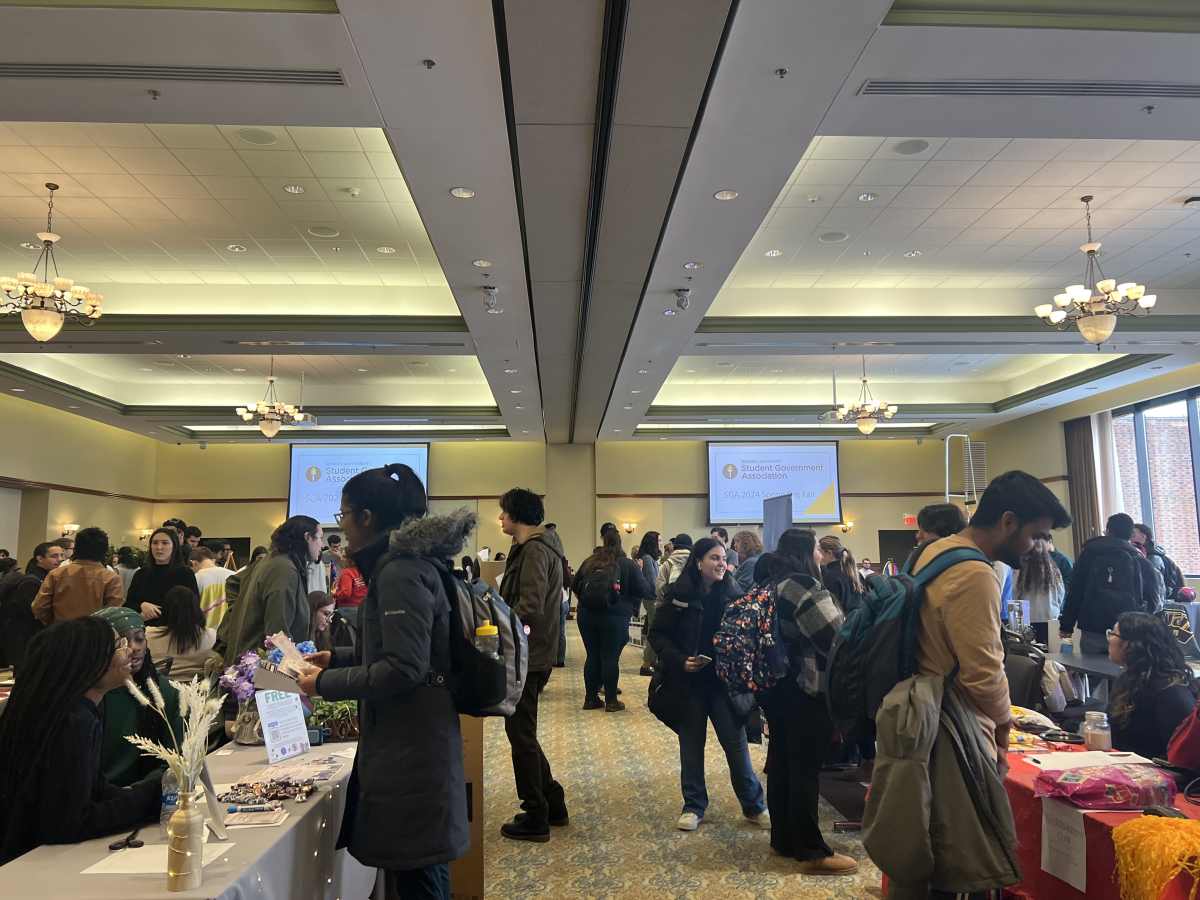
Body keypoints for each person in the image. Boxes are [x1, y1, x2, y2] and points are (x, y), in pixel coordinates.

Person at [296, 464, 469, 900]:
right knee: (418, 868)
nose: (342, 525)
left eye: (344, 514)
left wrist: (325, 683)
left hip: (412, 744)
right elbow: (407, 650)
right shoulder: (407, 564)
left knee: (418, 871)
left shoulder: (399, 570)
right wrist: (337, 657)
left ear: (367, 517)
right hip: (412, 736)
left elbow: (404, 667)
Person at [914, 471, 1071, 769]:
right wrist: (1002, 726)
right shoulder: (974, 573)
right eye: (1035, 536)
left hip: (921, 714)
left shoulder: (933, 551)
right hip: (954, 726)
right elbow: (983, 675)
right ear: (1007, 521)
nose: (1038, 548)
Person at [0, 616, 160, 866]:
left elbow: (95, 791)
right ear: (91, 662)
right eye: (120, 645)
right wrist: (151, 797)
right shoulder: (73, 722)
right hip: (31, 865)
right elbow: (70, 822)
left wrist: (157, 792)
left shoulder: (75, 711)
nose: (130, 650)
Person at [649, 536, 768, 833]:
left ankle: (754, 806)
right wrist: (680, 660)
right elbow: (658, 635)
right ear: (698, 561)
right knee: (691, 747)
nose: (720, 564)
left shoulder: (735, 593)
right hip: (688, 683)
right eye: (714, 558)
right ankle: (693, 805)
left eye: (723, 559)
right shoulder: (678, 594)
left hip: (724, 684)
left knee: (737, 747)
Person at [759, 529, 856, 875]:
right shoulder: (805, 587)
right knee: (805, 772)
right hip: (807, 690)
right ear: (805, 552)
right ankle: (813, 852)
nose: (821, 554)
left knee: (783, 766)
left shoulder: (773, 583)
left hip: (776, 689)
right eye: (817, 548)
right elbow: (834, 639)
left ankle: (783, 840)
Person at [497, 487, 567, 842]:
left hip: (528, 653)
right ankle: (552, 800)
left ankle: (536, 813)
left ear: (517, 515)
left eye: (504, 512)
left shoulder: (536, 550)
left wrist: (496, 628)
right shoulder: (534, 547)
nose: (500, 518)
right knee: (521, 731)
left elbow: (530, 607)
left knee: (520, 734)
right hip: (530, 650)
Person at [91, 606, 184, 788]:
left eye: (140, 639)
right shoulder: (90, 697)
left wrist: (133, 793)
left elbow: (176, 761)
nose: (134, 648)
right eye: (121, 643)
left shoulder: (169, 692)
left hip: (150, 797)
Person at [1059, 512, 1163, 654]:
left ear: (1108, 532)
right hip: (1127, 631)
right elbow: (1154, 600)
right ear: (1131, 535)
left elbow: (1076, 591)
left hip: (1092, 627)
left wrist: (1067, 625)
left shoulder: (1088, 556)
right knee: (1124, 673)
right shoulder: (1141, 562)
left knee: (1092, 671)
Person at [224, 516, 322, 661]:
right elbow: (278, 634)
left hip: (252, 660)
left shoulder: (274, 561)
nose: (322, 545)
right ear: (307, 537)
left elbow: (233, 582)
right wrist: (299, 667)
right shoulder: (283, 569)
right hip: (261, 668)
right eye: (320, 537)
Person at [573, 532, 652, 712]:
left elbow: (574, 585)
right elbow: (644, 590)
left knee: (592, 656)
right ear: (621, 543)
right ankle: (611, 701)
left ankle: (591, 699)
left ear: (603, 542)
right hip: (615, 616)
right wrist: (640, 572)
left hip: (586, 615)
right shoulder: (629, 564)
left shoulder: (590, 561)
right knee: (610, 657)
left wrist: (587, 601)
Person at [1107, 611, 1199, 760]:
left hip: (1156, 777)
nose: (1109, 639)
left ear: (1133, 644)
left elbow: (1182, 754)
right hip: (1124, 769)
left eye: (1113, 634)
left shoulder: (1171, 691)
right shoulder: (1127, 679)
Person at [32, 526, 124, 624]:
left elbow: (39, 607)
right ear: (104, 550)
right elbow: (113, 613)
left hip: (60, 631)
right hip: (95, 635)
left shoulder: (56, 574)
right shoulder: (112, 578)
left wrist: (54, 623)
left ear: (76, 548)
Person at [1, 542, 62, 671]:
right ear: (40, 559)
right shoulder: (30, 582)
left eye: (61, 555)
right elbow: (32, 614)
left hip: (37, 640)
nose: (60, 560)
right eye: (54, 556)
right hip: (28, 643)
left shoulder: (47, 578)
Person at [123, 527, 199, 626]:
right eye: (155, 543)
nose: (159, 547)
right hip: (143, 631)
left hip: (174, 632)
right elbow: (127, 607)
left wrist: (159, 612)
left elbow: (192, 608)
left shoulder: (185, 573)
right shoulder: (141, 574)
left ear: (174, 546)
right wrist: (142, 606)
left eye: (165, 543)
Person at [146, 586, 215, 682]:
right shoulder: (212, 637)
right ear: (196, 609)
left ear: (165, 609)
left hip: (160, 691)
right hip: (197, 692)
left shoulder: (147, 635)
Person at [1014, 542, 1064, 644]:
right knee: (1052, 650)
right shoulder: (1054, 571)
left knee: (1032, 653)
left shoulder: (1021, 570)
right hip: (1050, 617)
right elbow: (1061, 594)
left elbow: (1014, 594)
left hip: (1028, 619)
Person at [636, 531, 664, 676]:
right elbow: (653, 583)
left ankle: (652, 661)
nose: (661, 543)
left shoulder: (649, 558)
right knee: (655, 631)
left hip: (652, 599)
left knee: (654, 630)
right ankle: (647, 663)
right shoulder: (647, 559)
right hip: (652, 599)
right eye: (659, 540)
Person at [1132, 523, 1184, 600]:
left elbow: (1153, 582)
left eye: (1133, 533)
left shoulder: (1153, 557)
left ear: (1143, 536)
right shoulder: (1147, 553)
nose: (1130, 535)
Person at [816, 534, 864, 614]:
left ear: (830, 553)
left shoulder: (830, 577)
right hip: (857, 620)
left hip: (842, 622)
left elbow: (828, 607)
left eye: (819, 551)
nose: (819, 555)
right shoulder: (855, 573)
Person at [190, 546, 232, 629]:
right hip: (228, 633)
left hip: (203, 633)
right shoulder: (233, 575)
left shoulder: (195, 578)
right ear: (213, 560)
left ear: (193, 563)